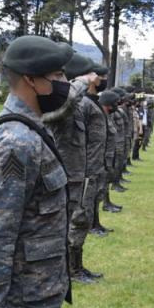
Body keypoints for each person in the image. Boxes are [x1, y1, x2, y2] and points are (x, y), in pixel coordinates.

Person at [0, 35, 73, 308]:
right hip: (20, 307)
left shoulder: (33, 127)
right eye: (58, 75)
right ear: (31, 81)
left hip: (37, 296)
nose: (66, 82)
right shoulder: (16, 143)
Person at [43, 53, 99, 285]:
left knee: (75, 224)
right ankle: (68, 271)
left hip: (79, 175)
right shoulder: (63, 104)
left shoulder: (79, 104)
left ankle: (71, 269)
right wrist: (82, 81)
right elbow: (67, 101)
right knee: (64, 228)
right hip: (64, 176)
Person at [86, 63, 112, 239]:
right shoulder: (84, 104)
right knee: (86, 204)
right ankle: (91, 225)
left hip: (98, 161)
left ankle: (95, 223)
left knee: (95, 197)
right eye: (101, 77)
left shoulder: (94, 103)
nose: (103, 80)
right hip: (87, 164)